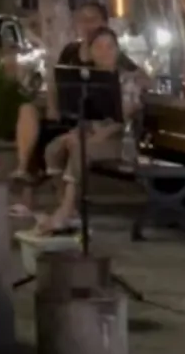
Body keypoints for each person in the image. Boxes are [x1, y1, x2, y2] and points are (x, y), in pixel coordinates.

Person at [10, 2, 141, 209]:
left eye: (93, 19)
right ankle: (23, 169)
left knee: (51, 138)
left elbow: (135, 84)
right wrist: (52, 106)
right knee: (29, 111)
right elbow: (56, 79)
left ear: (104, 23)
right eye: (82, 20)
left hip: (89, 123)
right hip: (70, 115)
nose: (87, 25)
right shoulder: (71, 50)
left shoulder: (112, 54)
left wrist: (140, 84)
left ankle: (42, 200)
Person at [31, 27, 138, 235]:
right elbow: (85, 115)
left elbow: (124, 116)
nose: (105, 52)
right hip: (92, 135)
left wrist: (96, 137)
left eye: (110, 47)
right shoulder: (87, 79)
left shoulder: (128, 79)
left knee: (81, 150)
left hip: (120, 141)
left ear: (117, 50)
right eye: (99, 47)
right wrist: (77, 133)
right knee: (54, 148)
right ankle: (67, 207)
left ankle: (64, 212)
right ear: (91, 52)